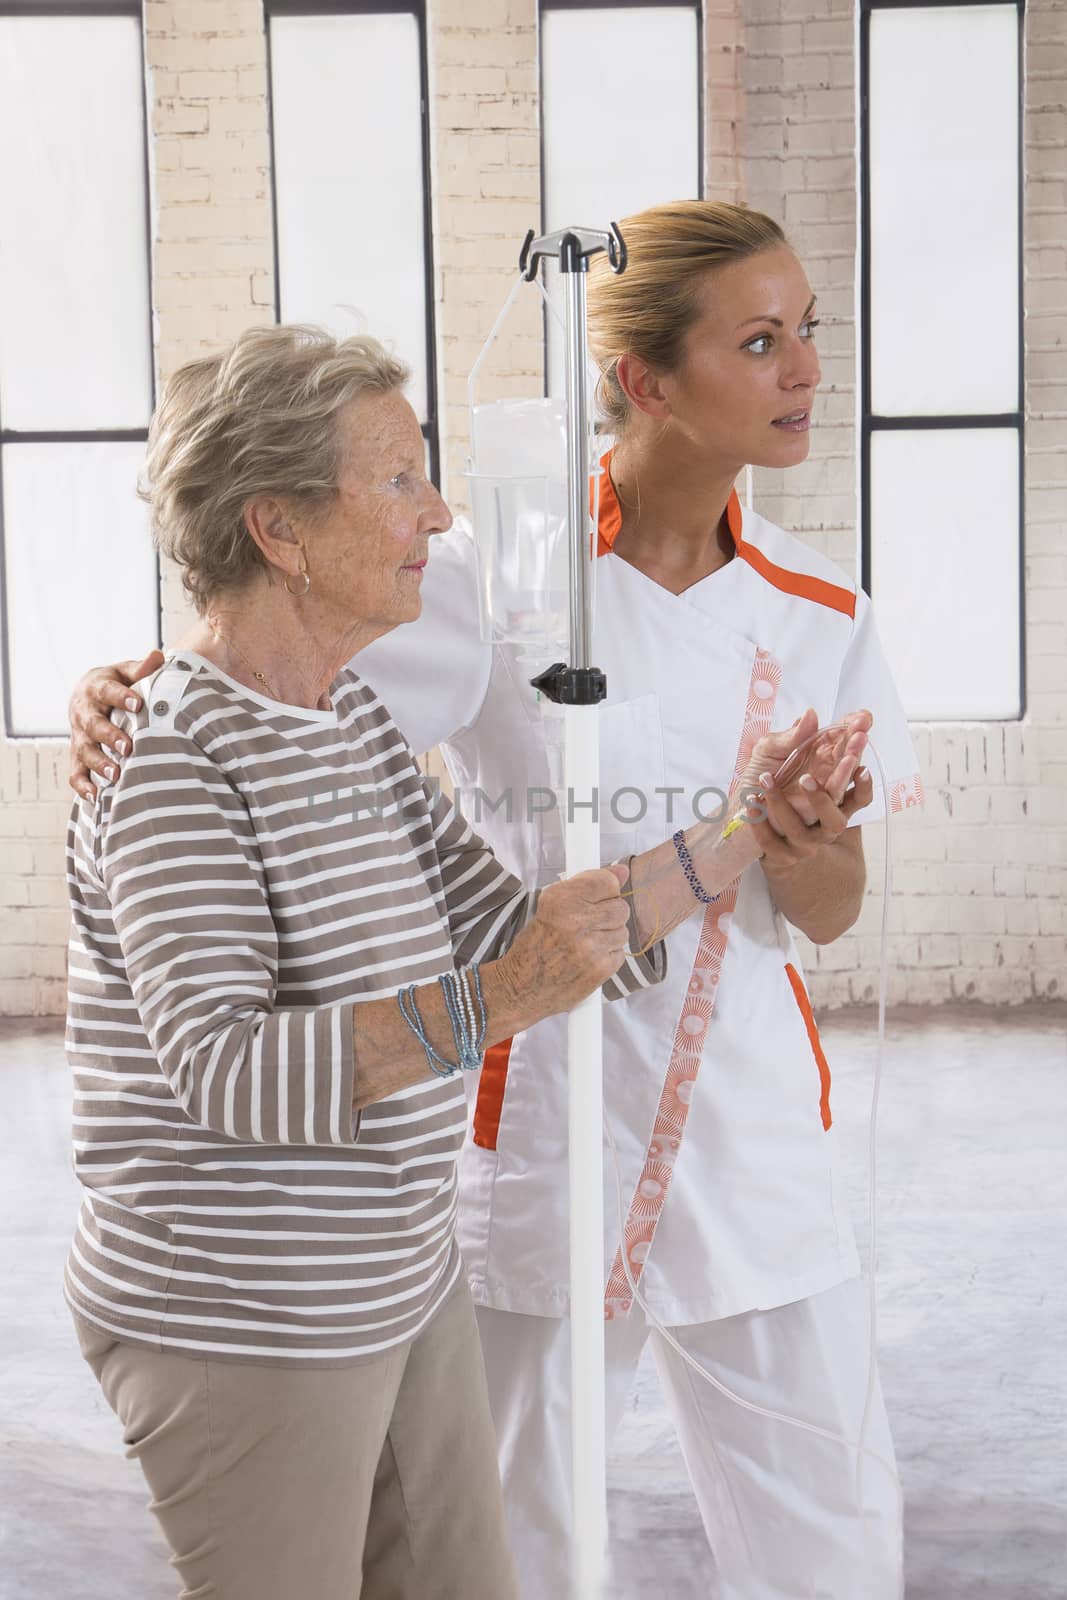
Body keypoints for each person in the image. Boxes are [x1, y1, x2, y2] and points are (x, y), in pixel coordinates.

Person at [68, 203, 920, 1599]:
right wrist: (122, 690)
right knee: (518, 1527)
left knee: (826, 1530)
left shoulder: (822, 613)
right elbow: (254, 677)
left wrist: (777, 835)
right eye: (761, 341)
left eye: (809, 334)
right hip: (520, 1134)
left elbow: (810, 908)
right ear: (643, 380)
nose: (807, 369)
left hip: (735, 1128)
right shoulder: (487, 580)